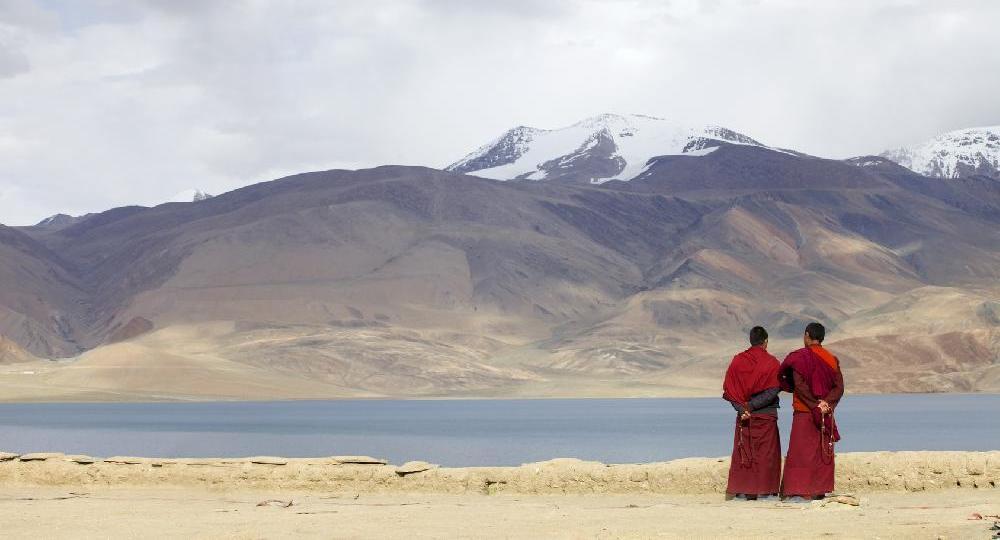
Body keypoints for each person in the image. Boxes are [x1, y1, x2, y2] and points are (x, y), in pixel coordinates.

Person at [778, 322, 844, 500]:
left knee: (800, 452)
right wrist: (825, 403)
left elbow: (799, 385)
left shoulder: (799, 358)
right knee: (820, 451)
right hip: (824, 412)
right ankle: (819, 490)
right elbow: (839, 387)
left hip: (804, 411)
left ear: (807, 335)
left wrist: (814, 404)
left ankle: (798, 491)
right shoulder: (831, 359)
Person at [722, 326, 782, 500]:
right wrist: (752, 406)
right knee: (766, 455)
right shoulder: (771, 362)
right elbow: (774, 389)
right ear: (766, 342)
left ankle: (742, 492)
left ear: (751, 340)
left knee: (745, 452)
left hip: (744, 414)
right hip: (764, 414)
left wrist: (743, 408)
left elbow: (730, 390)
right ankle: (765, 491)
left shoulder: (738, 361)